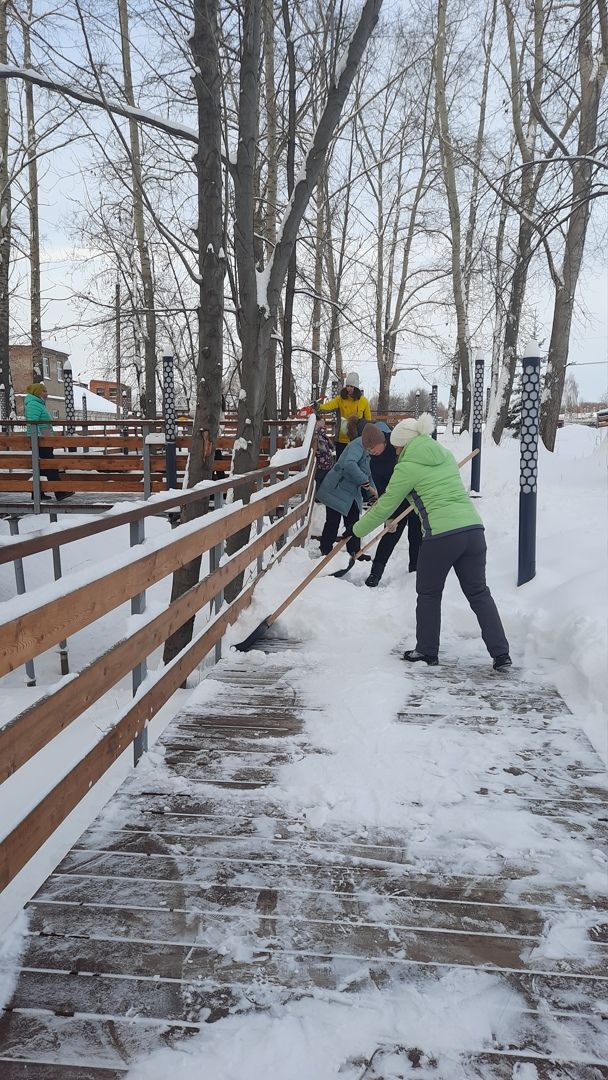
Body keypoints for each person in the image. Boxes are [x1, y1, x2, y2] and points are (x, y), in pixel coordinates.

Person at [351, 413, 511, 671]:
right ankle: (501, 653)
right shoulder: (444, 455)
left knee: (428, 594)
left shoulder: (406, 466)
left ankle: (426, 650)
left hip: (442, 536)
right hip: (473, 530)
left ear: (403, 444)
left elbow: (383, 508)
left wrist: (356, 530)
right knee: (479, 593)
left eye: (397, 447)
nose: (397, 451)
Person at [363, 420, 422, 587]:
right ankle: (375, 573)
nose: (370, 452)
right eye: (368, 450)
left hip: (414, 496)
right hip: (395, 502)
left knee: (416, 535)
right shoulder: (374, 462)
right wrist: (388, 517)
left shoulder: (397, 443)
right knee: (389, 536)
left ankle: (415, 569)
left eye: (372, 447)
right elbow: (382, 490)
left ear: (381, 441)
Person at [316, 423, 386, 556]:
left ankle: (354, 551)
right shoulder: (358, 444)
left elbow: (369, 473)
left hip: (351, 492)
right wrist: (364, 481)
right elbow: (349, 464)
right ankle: (326, 550)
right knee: (333, 520)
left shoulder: (372, 451)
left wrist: (374, 493)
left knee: (353, 521)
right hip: (337, 487)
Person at [24, 383, 73, 502]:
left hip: (44, 440)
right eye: (44, 391)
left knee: (42, 467)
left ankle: (37, 492)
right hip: (40, 441)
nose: (47, 393)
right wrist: (40, 439)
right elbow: (32, 423)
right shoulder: (33, 405)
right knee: (50, 466)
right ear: (38, 392)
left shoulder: (39, 404)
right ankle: (60, 492)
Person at [317, 372, 372, 459]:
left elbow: (368, 420)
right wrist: (319, 407)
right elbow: (329, 406)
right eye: (347, 386)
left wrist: (368, 438)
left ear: (356, 387)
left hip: (357, 439)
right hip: (342, 438)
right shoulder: (340, 399)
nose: (349, 388)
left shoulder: (363, 401)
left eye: (351, 386)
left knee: (354, 462)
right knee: (341, 463)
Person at [314, 416, 334, 492]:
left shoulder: (318, 434)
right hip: (325, 460)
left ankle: (319, 495)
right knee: (322, 479)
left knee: (318, 479)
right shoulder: (322, 434)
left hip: (322, 461)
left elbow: (322, 449)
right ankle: (321, 494)